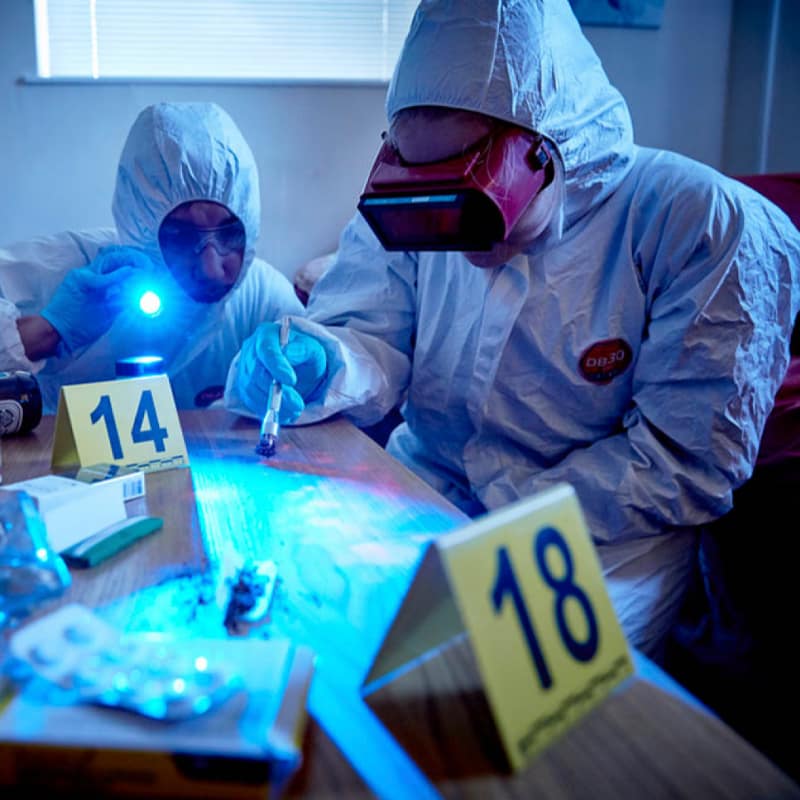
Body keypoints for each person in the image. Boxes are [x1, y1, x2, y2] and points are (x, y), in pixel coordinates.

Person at [225, 0, 800, 658]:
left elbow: (679, 463)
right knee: (302, 624)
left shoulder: (701, 225)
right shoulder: (417, 196)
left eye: (470, 201)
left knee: (469, 677)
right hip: (431, 489)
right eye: (427, 195)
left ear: (547, 152)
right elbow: (369, 328)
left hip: (600, 536)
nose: (454, 239)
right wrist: (327, 357)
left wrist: (498, 513)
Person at [0, 101, 303, 413]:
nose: (211, 268)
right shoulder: (77, 271)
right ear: (141, 225)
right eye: (182, 237)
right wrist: (47, 330)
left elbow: (325, 369)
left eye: (229, 235)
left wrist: (298, 378)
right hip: (54, 445)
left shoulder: (259, 295)